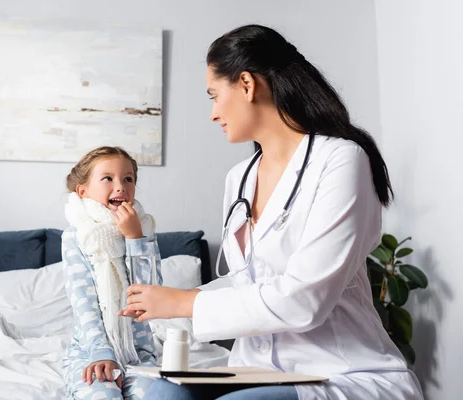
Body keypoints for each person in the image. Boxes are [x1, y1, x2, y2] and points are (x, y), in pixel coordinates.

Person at [120, 25, 424, 400]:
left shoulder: (340, 160)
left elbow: (305, 299)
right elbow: (249, 281)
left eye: (215, 96)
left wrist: (184, 302)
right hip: (258, 368)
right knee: (163, 393)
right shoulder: (240, 178)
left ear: (247, 84)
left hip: (338, 371)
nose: (213, 114)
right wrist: (165, 302)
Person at [61, 146, 162, 399]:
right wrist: (102, 354)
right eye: (108, 178)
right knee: (103, 395)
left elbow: (152, 295)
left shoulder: (144, 232)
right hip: (90, 353)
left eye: (128, 179)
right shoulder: (76, 236)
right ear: (82, 191)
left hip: (139, 355)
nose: (120, 187)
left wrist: (135, 239)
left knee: (152, 396)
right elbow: (84, 304)